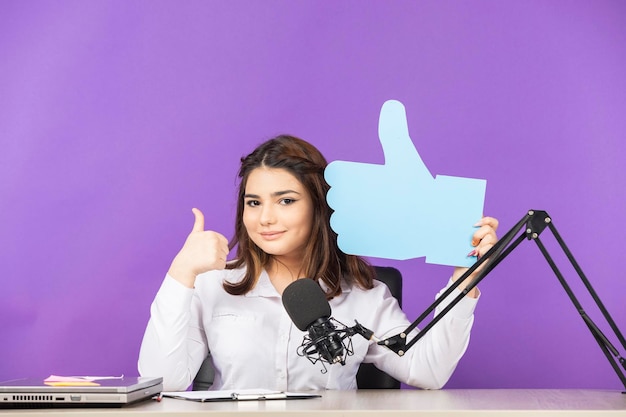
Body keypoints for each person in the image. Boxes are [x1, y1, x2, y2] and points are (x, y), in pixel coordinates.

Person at [138, 134, 498, 391]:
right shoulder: (212, 285)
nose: (265, 218)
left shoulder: (363, 295)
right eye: (253, 203)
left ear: (318, 206)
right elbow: (163, 380)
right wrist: (180, 274)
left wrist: (464, 282)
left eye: (286, 201)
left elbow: (428, 371)